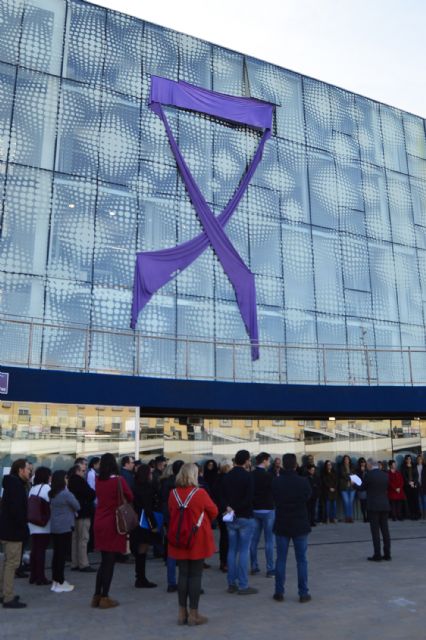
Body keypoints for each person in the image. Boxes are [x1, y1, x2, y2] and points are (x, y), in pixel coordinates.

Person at [168, 463, 218, 626]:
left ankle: (181, 613)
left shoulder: (173, 493)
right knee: (196, 575)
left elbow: (170, 512)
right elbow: (213, 511)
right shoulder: (200, 493)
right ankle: (194, 614)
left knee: (182, 574)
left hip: (178, 538)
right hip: (197, 538)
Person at [92, 453, 133, 609]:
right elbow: (130, 496)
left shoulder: (98, 481)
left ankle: (97, 594)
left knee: (104, 560)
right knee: (109, 562)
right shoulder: (118, 480)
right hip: (113, 522)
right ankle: (105, 596)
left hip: (99, 520)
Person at [272, 453, 312, 603]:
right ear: (295, 465)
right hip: (299, 523)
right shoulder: (303, 481)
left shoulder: (276, 481)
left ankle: (279, 591)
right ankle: (303, 593)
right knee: (301, 560)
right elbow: (308, 496)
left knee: (281, 559)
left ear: (283, 464)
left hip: (282, 522)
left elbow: (274, 498)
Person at [222, 449, 257, 595]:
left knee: (232, 550)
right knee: (243, 551)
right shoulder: (248, 477)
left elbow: (221, 496)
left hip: (230, 517)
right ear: (247, 460)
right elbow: (249, 498)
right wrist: (236, 507)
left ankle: (231, 583)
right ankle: (243, 585)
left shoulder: (227, 476)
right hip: (244, 517)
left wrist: (229, 508)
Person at [0, 458, 31, 608]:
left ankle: (4, 593)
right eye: (28, 469)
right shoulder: (17, 486)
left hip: (8, 530)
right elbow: (17, 511)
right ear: (20, 470)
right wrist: (23, 527)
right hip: (13, 532)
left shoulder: (12, 484)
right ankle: (8, 597)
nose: (30, 472)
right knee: (11, 564)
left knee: (7, 563)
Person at [130, 464, 160, 588]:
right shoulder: (147, 488)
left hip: (136, 519)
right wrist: (153, 524)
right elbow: (148, 508)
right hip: (145, 521)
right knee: (143, 549)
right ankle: (141, 578)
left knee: (139, 550)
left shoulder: (134, 485)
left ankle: (139, 577)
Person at [49, 470, 80, 593]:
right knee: (61, 556)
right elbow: (77, 506)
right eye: (66, 478)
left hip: (55, 527)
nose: (67, 479)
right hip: (65, 527)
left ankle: (56, 581)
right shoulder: (66, 494)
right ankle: (60, 582)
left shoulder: (53, 493)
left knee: (57, 555)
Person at [160, 459, 184, 592]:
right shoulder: (181, 484)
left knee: (172, 551)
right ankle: (183, 581)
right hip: (179, 518)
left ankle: (171, 581)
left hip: (168, 517)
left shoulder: (165, 482)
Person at [250, 452, 275, 577]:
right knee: (269, 540)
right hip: (268, 510)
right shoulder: (269, 475)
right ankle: (270, 569)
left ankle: (254, 566)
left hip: (255, 510)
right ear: (264, 461)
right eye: (268, 460)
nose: (269, 463)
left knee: (254, 540)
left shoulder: (251, 475)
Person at [68, 463, 96, 572]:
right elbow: (91, 493)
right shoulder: (80, 481)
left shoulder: (70, 481)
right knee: (83, 538)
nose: (84, 473)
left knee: (75, 539)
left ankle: (74, 563)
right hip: (83, 512)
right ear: (78, 471)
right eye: (83, 471)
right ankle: (83, 563)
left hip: (74, 513)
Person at [362, 457, 391, 562]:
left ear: (369, 465)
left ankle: (377, 555)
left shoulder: (368, 475)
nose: (366, 467)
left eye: (366, 465)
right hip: (384, 505)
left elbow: (362, 487)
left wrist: (354, 483)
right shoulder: (385, 475)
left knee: (375, 532)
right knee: (385, 530)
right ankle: (387, 554)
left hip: (373, 507)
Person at [28, 466, 51, 586]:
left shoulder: (33, 488)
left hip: (32, 523)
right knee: (41, 551)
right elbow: (50, 502)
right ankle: (41, 578)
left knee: (35, 550)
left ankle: (33, 575)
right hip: (43, 524)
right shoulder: (46, 487)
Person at [211, 460, 232, 573]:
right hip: (227, 510)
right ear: (227, 467)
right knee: (227, 537)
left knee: (224, 536)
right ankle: (226, 562)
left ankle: (223, 561)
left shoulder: (217, 479)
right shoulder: (227, 479)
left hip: (220, 510)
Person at [400, 454, 420, 520]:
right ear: (405, 460)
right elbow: (403, 476)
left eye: (410, 459)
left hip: (414, 485)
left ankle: (417, 514)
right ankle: (412, 515)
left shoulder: (414, 466)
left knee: (416, 500)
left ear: (411, 459)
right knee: (410, 501)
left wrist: (413, 482)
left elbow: (416, 475)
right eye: (407, 459)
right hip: (407, 486)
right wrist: (409, 482)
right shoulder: (403, 467)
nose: (409, 460)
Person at [338, 455, 356, 522]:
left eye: (347, 459)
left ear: (349, 460)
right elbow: (343, 474)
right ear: (343, 460)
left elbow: (354, 474)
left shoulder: (352, 466)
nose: (346, 460)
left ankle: (350, 517)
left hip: (352, 487)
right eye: (345, 459)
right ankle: (347, 517)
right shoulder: (341, 467)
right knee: (346, 502)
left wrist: (352, 478)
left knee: (350, 503)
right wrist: (350, 478)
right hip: (344, 487)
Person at [356, 458, 368, 523]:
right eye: (361, 462)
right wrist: (362, 472)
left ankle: (368, 517)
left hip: (367, 489)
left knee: (368, 504)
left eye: (364, 462)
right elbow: (357, 480)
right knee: (363, 504)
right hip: (361, 489)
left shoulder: (367, 470)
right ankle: (364, 517)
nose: (363, 463)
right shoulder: (357, 471)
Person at [416, 454, 426, 519]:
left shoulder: (425, 467)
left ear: (422, 460)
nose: (420, 460)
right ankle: (421, 514)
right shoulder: (415, 466)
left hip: (424, 486)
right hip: (418, 485)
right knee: (419, 501)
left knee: (424, 501)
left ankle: (425, 514)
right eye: (418, 459)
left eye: (421, 459)